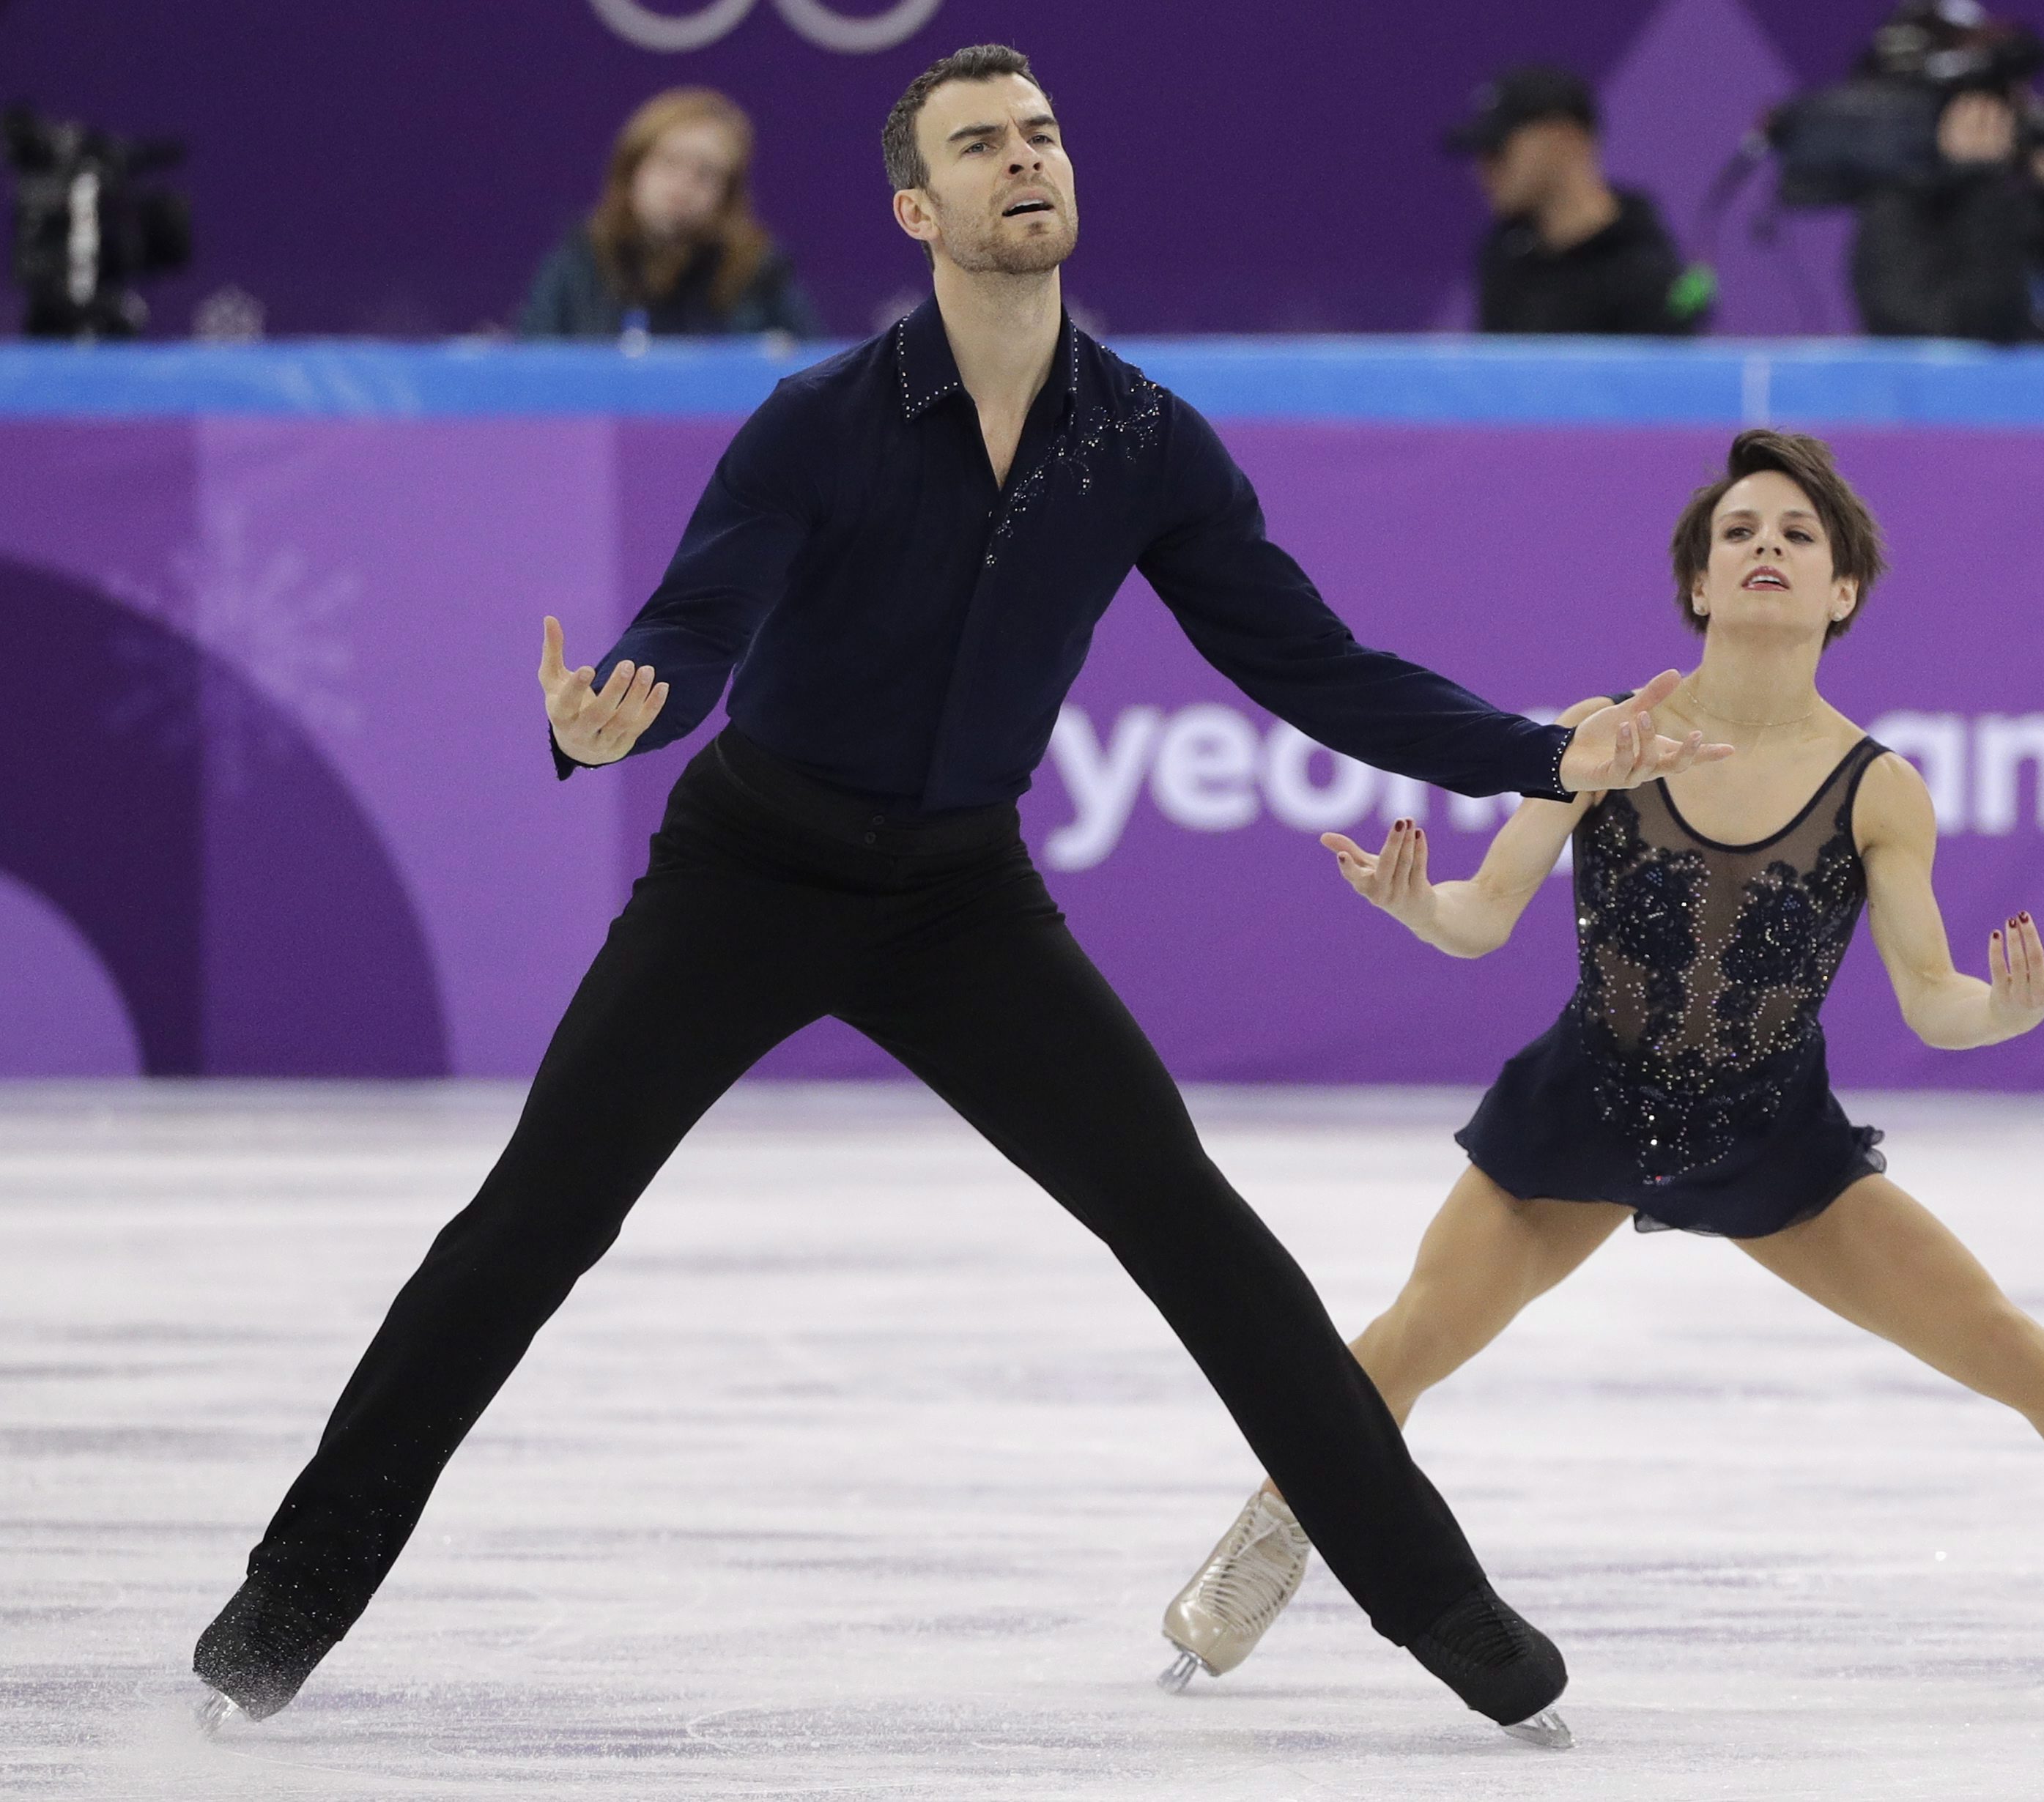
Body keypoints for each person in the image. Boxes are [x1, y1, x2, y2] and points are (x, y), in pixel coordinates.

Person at [190, 42, 1737, 1749]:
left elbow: (1310, 665)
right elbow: (700, 618)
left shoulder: (1141, 439)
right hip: (749, 870)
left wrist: (1536, 755)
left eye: (1044, 135)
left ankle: (1441, 1606)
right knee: (529, 1227)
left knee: (1197, 1233)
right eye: (982, 144)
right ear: (919, 207)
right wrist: (611, 707)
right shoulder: (822, 421)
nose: (1025, 160)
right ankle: (284, 1607)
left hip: (956, 901)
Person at [1157, 428, 2044, 1704]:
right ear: (1696, 583)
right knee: (1402, 1344)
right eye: (1738, 532)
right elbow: (1478, 918)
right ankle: (1264, 1545)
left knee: (2008, 1348)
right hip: (1581, 1115)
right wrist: (1419, 910)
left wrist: (2010, 1011)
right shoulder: (1603, 735)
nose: (1765, 550)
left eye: (1797, 534)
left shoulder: (1876, 787)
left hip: (1769, 1137)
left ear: (1840, 590)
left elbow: (1935, 1004)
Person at [516, 87, 822, 341]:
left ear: (728, 195)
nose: (684, 184)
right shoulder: (581, 261)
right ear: (633, 169)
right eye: (670, 162)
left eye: (706, 173)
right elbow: (530, 376)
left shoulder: (759, 273)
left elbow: (814, 381)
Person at [1850, 84, 2044, 342]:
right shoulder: (1896, 209)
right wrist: (1979, 180)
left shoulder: (2019, 202)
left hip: (2033, 397)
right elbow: (1984, 331)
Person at [1447, 67, 1713, 336]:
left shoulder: (1649, 277)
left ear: (1565, 139)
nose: (1481, 170)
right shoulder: (1501, 254)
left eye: (1497, 150)